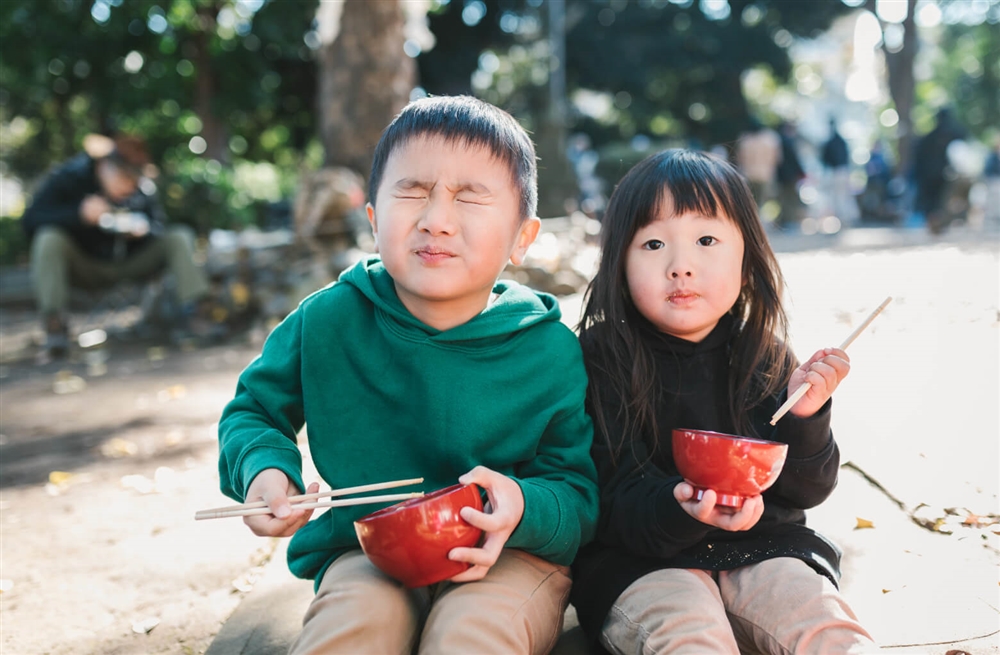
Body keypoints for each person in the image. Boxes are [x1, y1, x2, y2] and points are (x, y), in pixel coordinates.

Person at [217, 95, 599, 654]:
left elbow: (577, 492)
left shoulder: (550, 350)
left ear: (523, 237)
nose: (436, 220)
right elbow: (253, 410)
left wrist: (523, 506)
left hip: (508, 554)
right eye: (413, 191)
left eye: (469, 196)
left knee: (471, 638)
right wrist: (264, 471)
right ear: (373, 219)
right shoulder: (327, 319)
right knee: (350, 633)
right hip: (365, 549)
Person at [569, 149, 877, 653]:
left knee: (827, 628)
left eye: (706, 240)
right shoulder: (600, 358)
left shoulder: (766, 354)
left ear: (746, 255)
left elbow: (807, 489)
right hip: (641, 563)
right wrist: (679, 508)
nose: (680, 266)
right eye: (652, 243)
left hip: (766, 549)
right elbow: (603, 496)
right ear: (619, 263)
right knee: (688, 635)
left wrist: (805, 414)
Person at [21, 133, 213, 359]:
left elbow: (159, 225)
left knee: (179, 235)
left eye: (135, 181)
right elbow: (30, 220)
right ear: (104, 167)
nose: (131, 187)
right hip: (85, 266)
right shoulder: (70, 178)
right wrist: (78, 214)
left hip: (133, 262)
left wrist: (143, 231)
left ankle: (198, 314)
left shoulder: (143, 189)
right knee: (48, 237)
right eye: (125, 179)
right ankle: (54, 325)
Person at [911, 108, 967, 234]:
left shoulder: (927, 138)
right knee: (940, 201)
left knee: (932, 202)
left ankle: (935, 224)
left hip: (929, 176)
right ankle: (937, 224)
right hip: (944, 175)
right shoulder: (955, 134)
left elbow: (918, 159)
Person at [734, 118, 781, 212]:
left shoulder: (744, 139)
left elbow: (739, 158)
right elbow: (777, 159)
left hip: (747, 174)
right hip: (765, 175)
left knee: (747, 202)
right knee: (760, 202)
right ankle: (757, 221)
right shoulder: (770, 139)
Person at [820, 119, 859, 226]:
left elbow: (825, 159)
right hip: (842, 171)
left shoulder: (832, 142)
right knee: (843, 196)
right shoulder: (840, 141)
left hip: (837, 171)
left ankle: (844, 218)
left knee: (840, 197)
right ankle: (845, 218)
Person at [775, 121, 806, 229]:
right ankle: (790, 221)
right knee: (791, 199)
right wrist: (801, 172)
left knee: (784, 199)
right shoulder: (788, 142)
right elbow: (794, 160)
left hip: (781, 176)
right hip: (790, 176)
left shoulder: (778, 141)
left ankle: (786, 221)